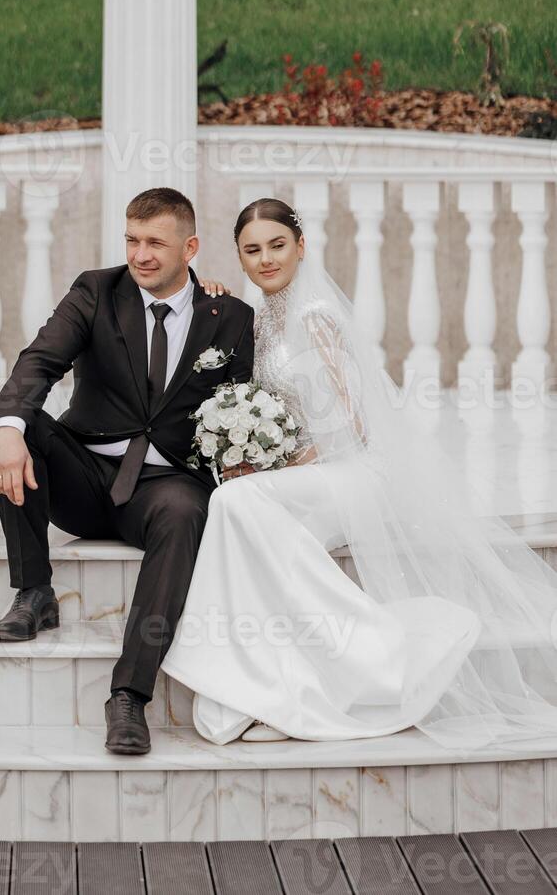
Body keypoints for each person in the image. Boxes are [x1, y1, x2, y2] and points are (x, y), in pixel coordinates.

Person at [161, 197, 557, 750]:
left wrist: (288, 462)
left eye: (277, 245)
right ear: (240, 259)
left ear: (300, 246)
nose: (266, 259)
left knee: (235, 504)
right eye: (252, 251)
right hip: (308, 473)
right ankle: (274, 685)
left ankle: (375, 657)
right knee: (245, 511)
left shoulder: (313, 314)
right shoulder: (262, 313)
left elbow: (355, 424)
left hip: (352, 472)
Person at [0, 187, 254, 755]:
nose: (141, 255)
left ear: (191, 247)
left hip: (164, 487)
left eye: (157, 242)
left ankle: (129, 697)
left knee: (187, 510)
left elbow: (244, 406)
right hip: (85, 475)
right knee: (20, 425)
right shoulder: (96, 291)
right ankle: (34, 590)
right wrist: (7, 428)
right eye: (132, 240)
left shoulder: (228, 317)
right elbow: (41, 360)